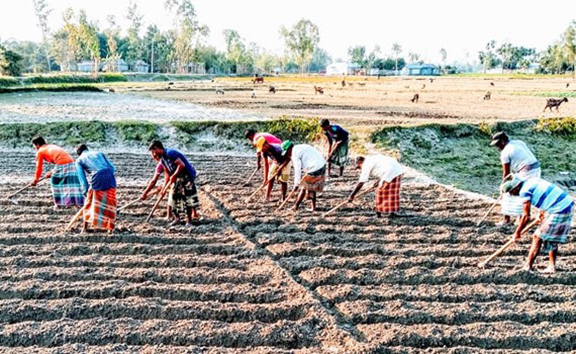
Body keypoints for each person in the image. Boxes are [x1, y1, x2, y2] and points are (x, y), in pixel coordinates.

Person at [501, 176, 574, 273]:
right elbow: (544, 194)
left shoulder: (524, 192)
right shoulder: (531, 181)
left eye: (511, 192)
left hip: (559, 209)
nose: (512, 194)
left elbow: (526, 216)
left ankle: (528, 266)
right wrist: (541, 212)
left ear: (515, 188)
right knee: (551, 238)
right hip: (566, 204)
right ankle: (551, 267)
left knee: (537, 236)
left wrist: (517, 232)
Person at [141, 141, 200, 227]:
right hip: (177, 177)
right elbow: (167, 176)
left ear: (158, 149)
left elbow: (181, 165)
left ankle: (189, 221)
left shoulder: (170, 153)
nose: (153, 154)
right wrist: (164, 189)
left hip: (187, 176)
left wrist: (174, 175)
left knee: (188, 198)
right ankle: (177, 218)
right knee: (173, 197)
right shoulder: (163, 159)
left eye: (154, 151)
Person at [491, 132, 541, 226]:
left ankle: (507, 220)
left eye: (497, 144)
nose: (497, 148)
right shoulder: (519, 142)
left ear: (502, 141)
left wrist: (503, 188)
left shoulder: (505, 153)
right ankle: (520, 217)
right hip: (536, 170)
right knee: (525, 193)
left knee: (510, 191)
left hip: (526, 172)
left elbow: (506, 174)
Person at [31, 136, 84, 209]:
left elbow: (39, 167)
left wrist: (35, 180)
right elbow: (60, 158)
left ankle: (59, 203)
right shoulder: (51, 146)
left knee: (55, 182)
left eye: (34, 146)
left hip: (62, 164)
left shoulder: (40, 151)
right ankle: (77, 202)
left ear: (37, 145)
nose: (35, 148)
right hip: (71, 163)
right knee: (71, 183)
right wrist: (52, 172)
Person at [75, 144, 117, 233]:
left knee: (89, 202)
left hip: (97, 176)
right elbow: (113, 168)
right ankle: (110, 228)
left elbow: (82, 179)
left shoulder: (79, 160)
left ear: (79, 153)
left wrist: (86, 192)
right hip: (110, 174)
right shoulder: (99, 153)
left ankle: (84, 228)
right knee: (110, 201)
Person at [281, 141, 326, 212]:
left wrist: (296, 184)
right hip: (322, 165)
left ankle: (295, 206)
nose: (287, 155)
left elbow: (297, 168)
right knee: (311, 187)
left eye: (287, 152)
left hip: (315, 167)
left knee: (303, 187)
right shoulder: (300, 147)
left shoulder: (294, 153)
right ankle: (313, 208)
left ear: (289, 149)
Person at [256, 137, 290, 201]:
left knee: (283, 181)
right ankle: (267, 197)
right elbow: (266, 165)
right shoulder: (264, 152)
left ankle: (283, 198)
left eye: (262, 147)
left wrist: (279, 170)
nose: (261, 150)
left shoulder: (277, 149)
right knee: (270, 178)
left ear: (265, 144)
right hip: (276, 162)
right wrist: (265, 179)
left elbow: (288, 158)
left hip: (286, 162)